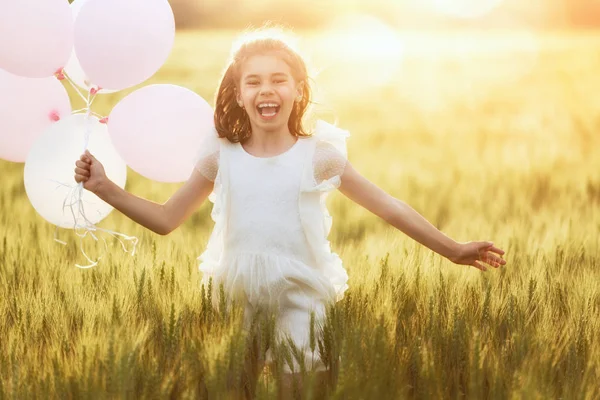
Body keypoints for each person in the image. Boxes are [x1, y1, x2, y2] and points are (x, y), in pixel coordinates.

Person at [73, 27, 506, 398]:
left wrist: (453, 249)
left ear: (298, 90)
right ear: (238, 94)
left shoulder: (319, 156)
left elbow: (388, 207)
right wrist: (105, 188)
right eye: (253, 82)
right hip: (234, 296)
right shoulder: (220, 155)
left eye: (279, 80)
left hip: (302, 295)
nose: (267, 90)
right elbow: (167, 220)